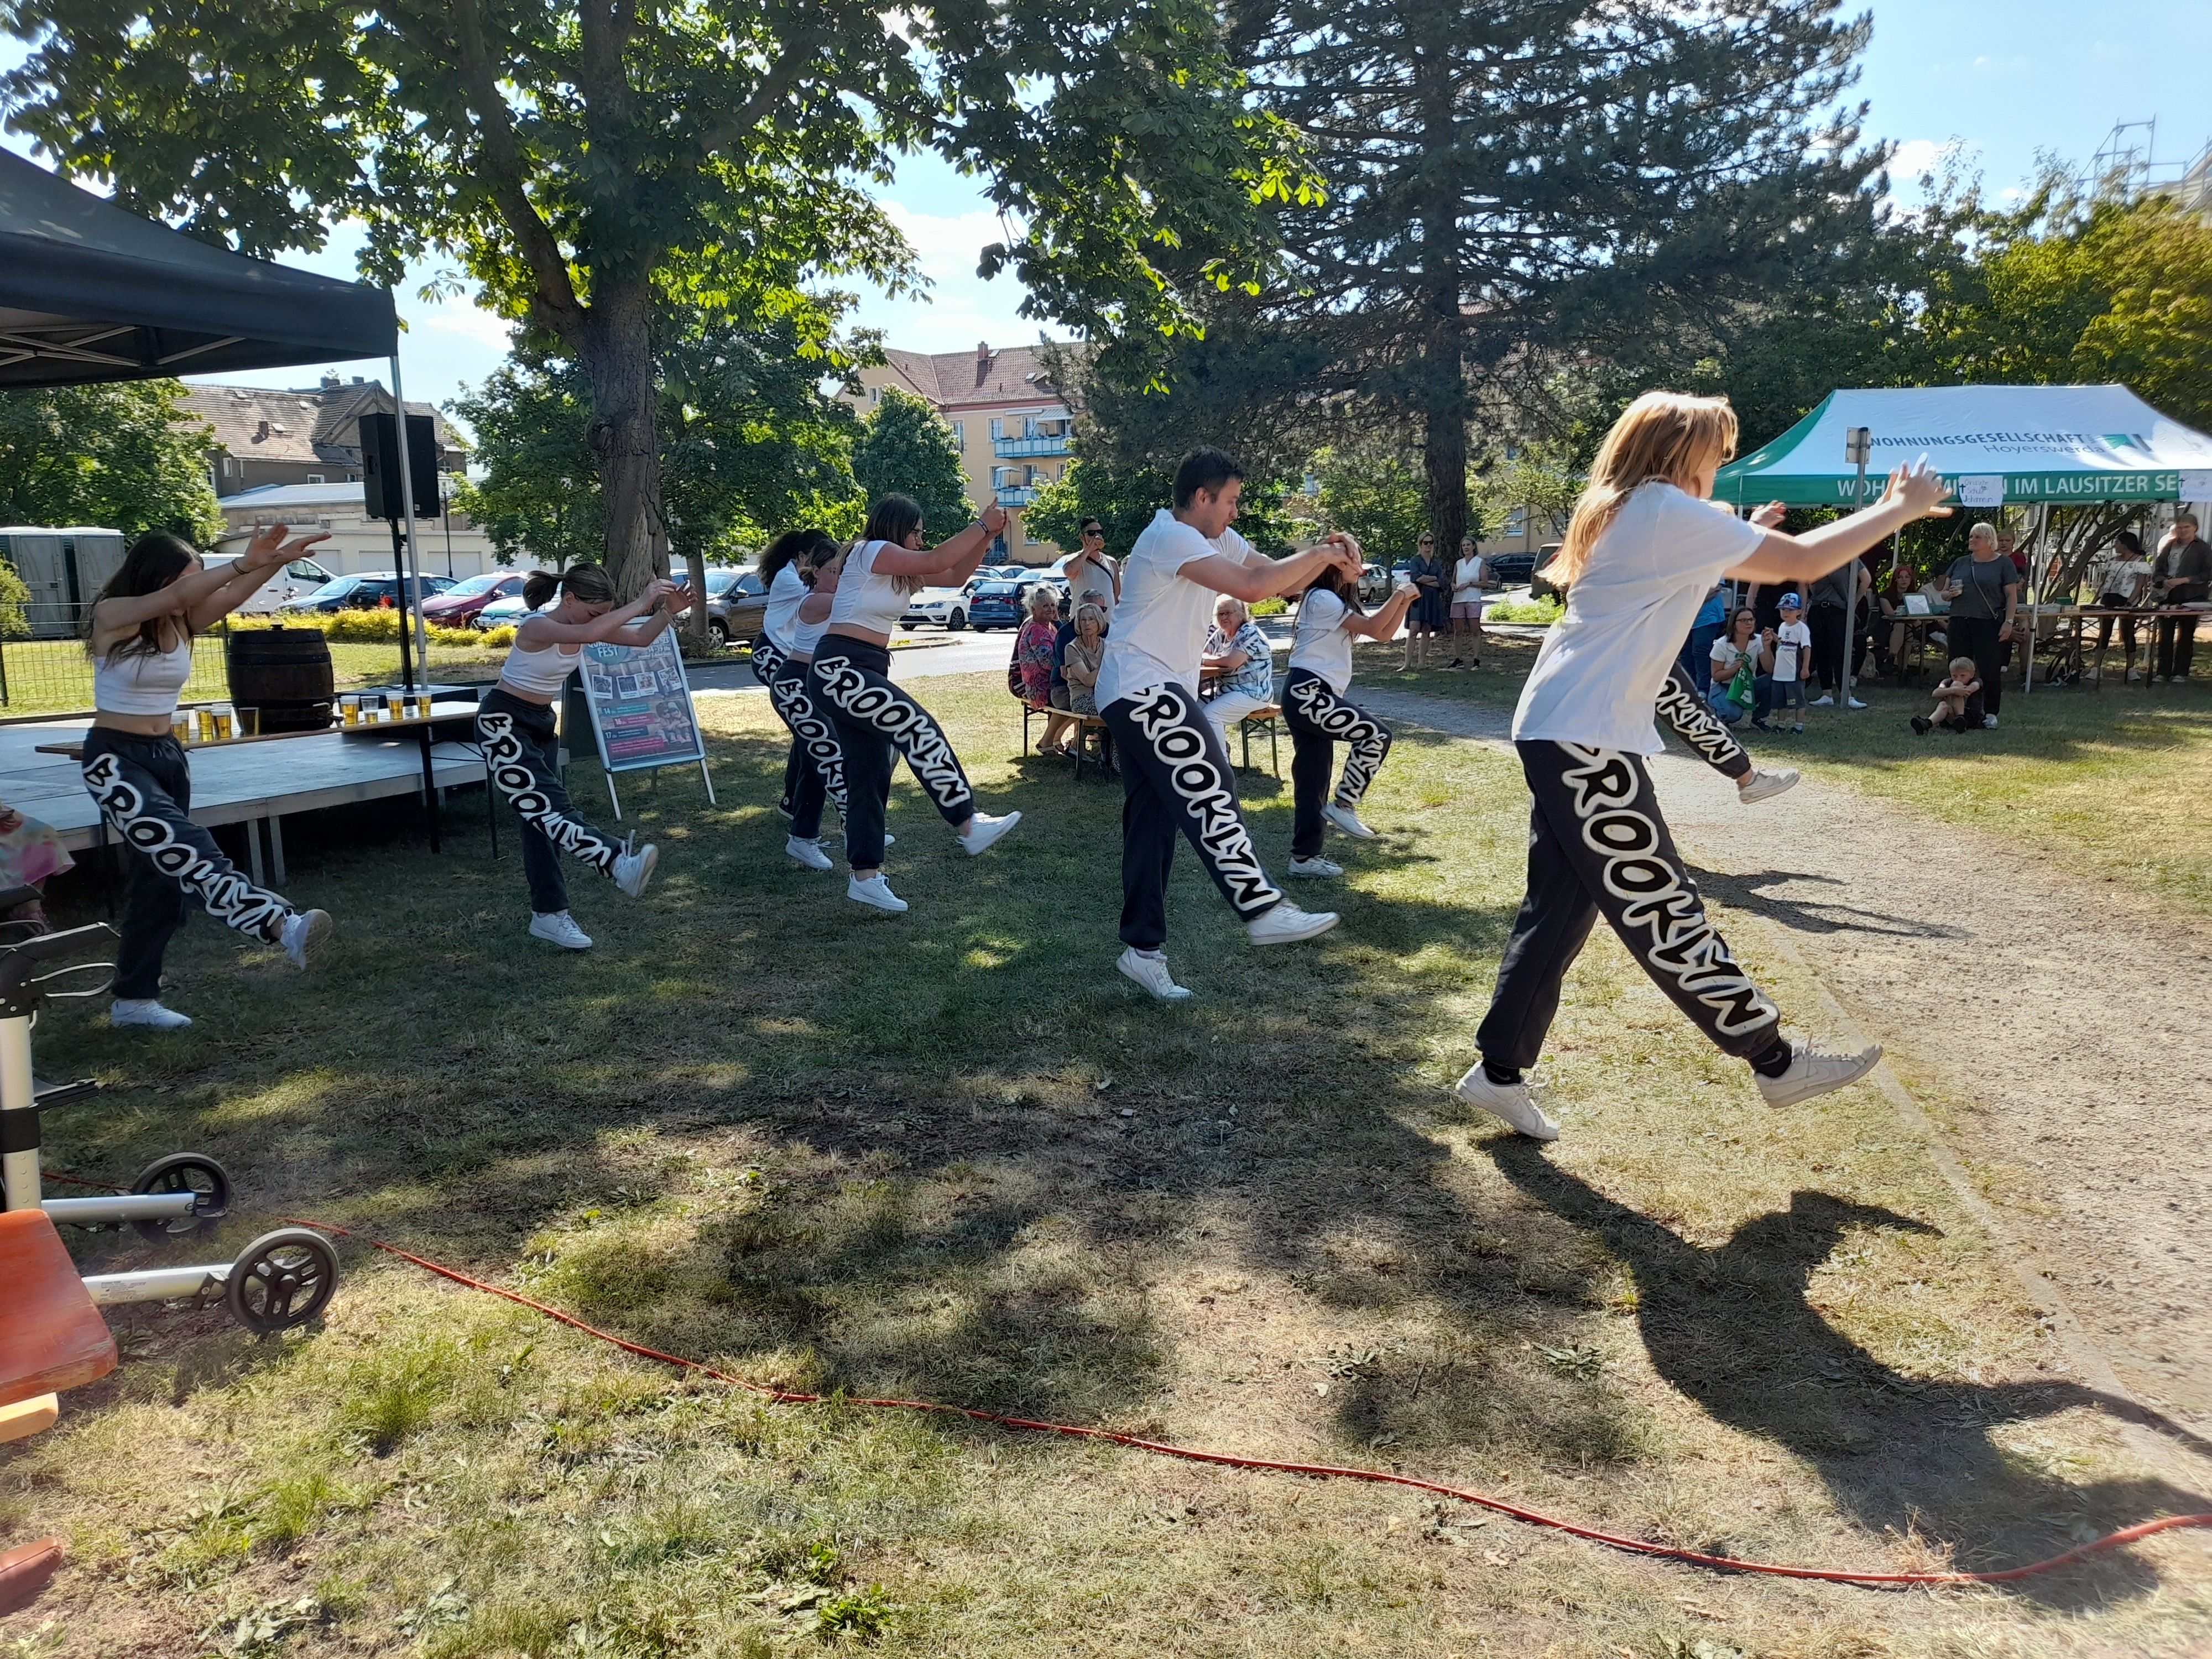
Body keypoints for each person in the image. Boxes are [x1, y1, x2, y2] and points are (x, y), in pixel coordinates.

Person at [1457, 390, 1950, 1142]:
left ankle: (1498, 1074)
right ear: (1681, 453)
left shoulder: (1634, 509)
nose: (1720, 467)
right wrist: (1901, 508)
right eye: (1716, 454)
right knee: (1662, 905)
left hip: (1570, 727)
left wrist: (1746, 534)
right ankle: (1775, 1060)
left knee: (1559, 913)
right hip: (1586, 736)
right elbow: (1810, 562)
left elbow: (1688, 572)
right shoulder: (1662, 512)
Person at [1098, 448, 1362, 1000]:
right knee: (1210, 783)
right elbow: (1250, 590)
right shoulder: (1169, 536)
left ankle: (1141, 951)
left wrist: (1330, 559)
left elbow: (1269, 576)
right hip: (1143, 685)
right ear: (1202, 498)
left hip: (1139, 689)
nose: (1235, 513)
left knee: (1152, 826)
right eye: (1231, 501)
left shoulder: (1211, 537)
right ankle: (1262, 908)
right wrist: (1321, 553)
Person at [78, 526, 337, 1028]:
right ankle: (280, 925)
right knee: (187, 847)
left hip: (165, 756)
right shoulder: (115, 615)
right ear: (156, 578)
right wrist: (241, 563)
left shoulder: (182, 621)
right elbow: (186, 593)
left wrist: (275, 562)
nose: (197, 593)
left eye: (200, 582)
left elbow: (233, 592)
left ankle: (133, 1002)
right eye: (189, 582)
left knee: (160, 883)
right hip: (115, 759)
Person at [811, 494, 1021, 913]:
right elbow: (937, 558)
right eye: (917, 533)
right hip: (839, 667)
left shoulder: (898, 570)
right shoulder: (870, 552)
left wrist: (989, 537)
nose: (921, 541)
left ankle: (865, 877)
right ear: (896, 528)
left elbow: (956, 573)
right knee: (915, 725)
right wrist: (980, 525)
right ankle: (967, 822)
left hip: (863, 669)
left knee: (869, 775)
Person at [477, 565, 679, 950]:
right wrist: (641, 601)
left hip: (537, 724)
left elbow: (640, 639)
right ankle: (618, 863)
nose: (599, 622)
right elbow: (589, 633)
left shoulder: (586, 623)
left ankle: (548, 917)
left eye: (604, 614)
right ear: (568, 600)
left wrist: (669, 612)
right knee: (549, 810)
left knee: (542, 821)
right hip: (503, 722)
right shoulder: (537, 627)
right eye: (593, 612)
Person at [1283, 551, 1417, 878]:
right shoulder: (1322, 598)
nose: (1360, 568)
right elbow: (1374, 628)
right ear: (1335, 567)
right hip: (1308, 694)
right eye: (1352, 562)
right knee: (1376, 735)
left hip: (1309, 694)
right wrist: (1401, 593)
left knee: (1313, 781)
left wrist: (1405, 602)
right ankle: (1345, 804)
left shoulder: (1328, 599)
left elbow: (1384, 634)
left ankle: (1304, 859)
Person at [755, 529, 836, 820]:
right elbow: (826, 596)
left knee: (809, 733)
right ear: (804, 559)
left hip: (789, 656)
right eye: (827, 566)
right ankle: (796, 805)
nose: (833, 574)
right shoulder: (788, 579)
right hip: (771, 654)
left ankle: (794, 804)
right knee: (809, 731)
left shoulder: (798, 576)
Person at [1939, 522, 2020, 727]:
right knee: (1958, 667)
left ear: (1989, 541)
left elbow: (2011, 595)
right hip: (1959, 619)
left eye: (1977, 537)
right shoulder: (1961, 562)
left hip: (1988, 622)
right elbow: (1944, 592)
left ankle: (1991, 713)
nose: (1972, 540)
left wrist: (2009, 622)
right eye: (1971, 537)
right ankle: (1958, 712)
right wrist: (1949, 595)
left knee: (1989, 668)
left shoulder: (2003, 564)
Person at [1199, 596, 1277, 735]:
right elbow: (1201, 654)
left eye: (1228, 613)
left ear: (1241, 614)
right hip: (1224, 691)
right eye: (1220, 614)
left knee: (1211, 715)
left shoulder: (1250, 633)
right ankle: (1203, 754)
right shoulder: (1220, 634)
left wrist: (1206, 660)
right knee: (1192, 709)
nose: (1223, 618)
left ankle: (1220, 757)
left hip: (1252, 693)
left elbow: (1232, 662)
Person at [2150, 515, 2211, 684]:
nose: (2182, 531)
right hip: (2169, 596)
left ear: (2195, 528)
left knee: (2185, 636)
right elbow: (2158, 570)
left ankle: (2181, 672)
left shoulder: (2202, 548)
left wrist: (2185, 580)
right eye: (2180, 528)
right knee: (2165, 635)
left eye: (2186, 527)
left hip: (2191, 596)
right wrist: (2165, 581)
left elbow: (2207, 573)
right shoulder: (2170, 546)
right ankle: (2163, 671)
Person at [1806, 555, 1870, 708]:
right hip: (1817, 610)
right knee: (1820, 651)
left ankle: (1846, 695)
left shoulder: (1850, 557)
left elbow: (1866, 579)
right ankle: (1826, 693)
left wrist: (1854, 602)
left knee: (1839, 652)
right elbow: (1810, 584)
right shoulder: (1817, 558)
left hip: (1839, 611)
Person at [2088, 530, 2152, 678]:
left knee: (2127, 632)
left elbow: (2139, 584)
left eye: (2117, 543)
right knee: (2105, 632)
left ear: (2125, 545)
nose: (2115, 546)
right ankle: (2096, 668)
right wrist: (2098, 597)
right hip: (2109, 598)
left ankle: (2131, 669)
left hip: (2127, 599)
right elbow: (2105, 581)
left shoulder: (2139, 562)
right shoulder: (2113, 561)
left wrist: (2130, 602)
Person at [1016, 587, 1068, 750]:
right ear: (1034, 610)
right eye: (1045, 606)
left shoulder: (1049, 626)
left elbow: (1065, 637)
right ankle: (1049, 741)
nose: (1051, 609)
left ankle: (1054, 740)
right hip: (1040, 686)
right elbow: (1048, 662)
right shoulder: (1036, 630)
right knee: (1071, 698)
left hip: (1052, 681)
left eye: (1053, 605)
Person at [1705, 608, 1772, 727]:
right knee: (1733, 714)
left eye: (1751, 620)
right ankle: (1721, 716)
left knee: (1774, 680)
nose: (1749, 623)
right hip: (1724, 686)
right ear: (1734, 624)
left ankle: (1758, 719)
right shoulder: (1722, 644)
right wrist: (1734, 669)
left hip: (1747, 685)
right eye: (1744, 620)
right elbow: (1716, 676)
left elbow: (1770, 669)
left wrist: (1767, 646)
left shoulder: (1758, 641)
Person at [1060, 519, 1121, 628]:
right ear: (1082, 537)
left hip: (1107, 625)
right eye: (1091, 533)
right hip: (1082, 627)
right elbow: (1068, 571)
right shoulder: (1075, 559)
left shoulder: (1111, 562)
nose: (1096, 536)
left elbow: (1118, 597)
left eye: (1099, 533)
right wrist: (1089, 549)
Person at [1401, 533, 1448, 669]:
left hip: (1432, 599)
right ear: (1420, 544)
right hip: (1417, 599)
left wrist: (1427, 579)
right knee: (1414, 630)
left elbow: (1442, 582)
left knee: (1427, 630)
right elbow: (1416, 578)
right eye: (1426, 542)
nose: (1428, 545)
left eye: (1431, 542)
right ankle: (1407, 664)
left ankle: (1421, 663)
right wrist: (1432, 578)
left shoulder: (1436, 563)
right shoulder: (1415, 560)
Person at [1768, 593, 1812, 732]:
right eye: (1783, 609)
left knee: (1798, 700)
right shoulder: (1782, 626)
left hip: (1794, 671)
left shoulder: (1801, 628)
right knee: (1781, 702)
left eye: (1790, 610)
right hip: (1780, 672)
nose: (1786, 612)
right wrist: (1773, 636)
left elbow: (1807, 648)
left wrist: (1805, 668)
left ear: (1799, 612)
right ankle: (1781, 724)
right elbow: (1782, 643)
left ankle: (1798, 726)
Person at [1911, 658, 1984, 735]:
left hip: (1971, 716)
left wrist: (1954, 689)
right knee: (1943, 705)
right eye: (1954, 676)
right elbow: (1935, 693)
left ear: (1972, 674)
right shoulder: (1947, 681)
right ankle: (1927, 724)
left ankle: (1961, 719)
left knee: (1957, 686)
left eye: (1963, 676)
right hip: (1952, 716)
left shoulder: (1976, 681)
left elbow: (1969, 690)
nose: (1958, 679)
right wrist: (1953, 690)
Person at [1448, 535, 1488, 669]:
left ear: (1473, 547)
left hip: (1473, 599)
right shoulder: (1458, 563)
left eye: (1468, 545)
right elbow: (1453, 580)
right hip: (1458, 599)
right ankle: (1458, 659)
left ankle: (1476, 660)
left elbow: (1484, 582)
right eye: (1464, 545)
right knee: (1458, 631)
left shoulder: (1479, 562)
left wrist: (1470, 584)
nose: (1466, 547)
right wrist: (1453, 586)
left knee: (1474, 629)